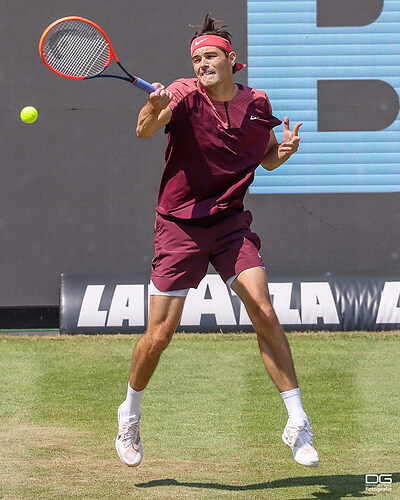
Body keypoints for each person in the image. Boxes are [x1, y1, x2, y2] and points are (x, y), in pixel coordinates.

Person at [115, 13, 319, 469]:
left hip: (229, 224)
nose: (203, 63)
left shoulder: (258, 102)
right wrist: (155, 106)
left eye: (210, 56)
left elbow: (264, 158)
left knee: (264, 310)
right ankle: (129, 412)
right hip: (180, 225)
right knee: (160, 334)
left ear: (232, 61)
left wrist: (281, 152)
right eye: (197, 58)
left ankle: (298, 421)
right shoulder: (183, 94)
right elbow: (144, 130)